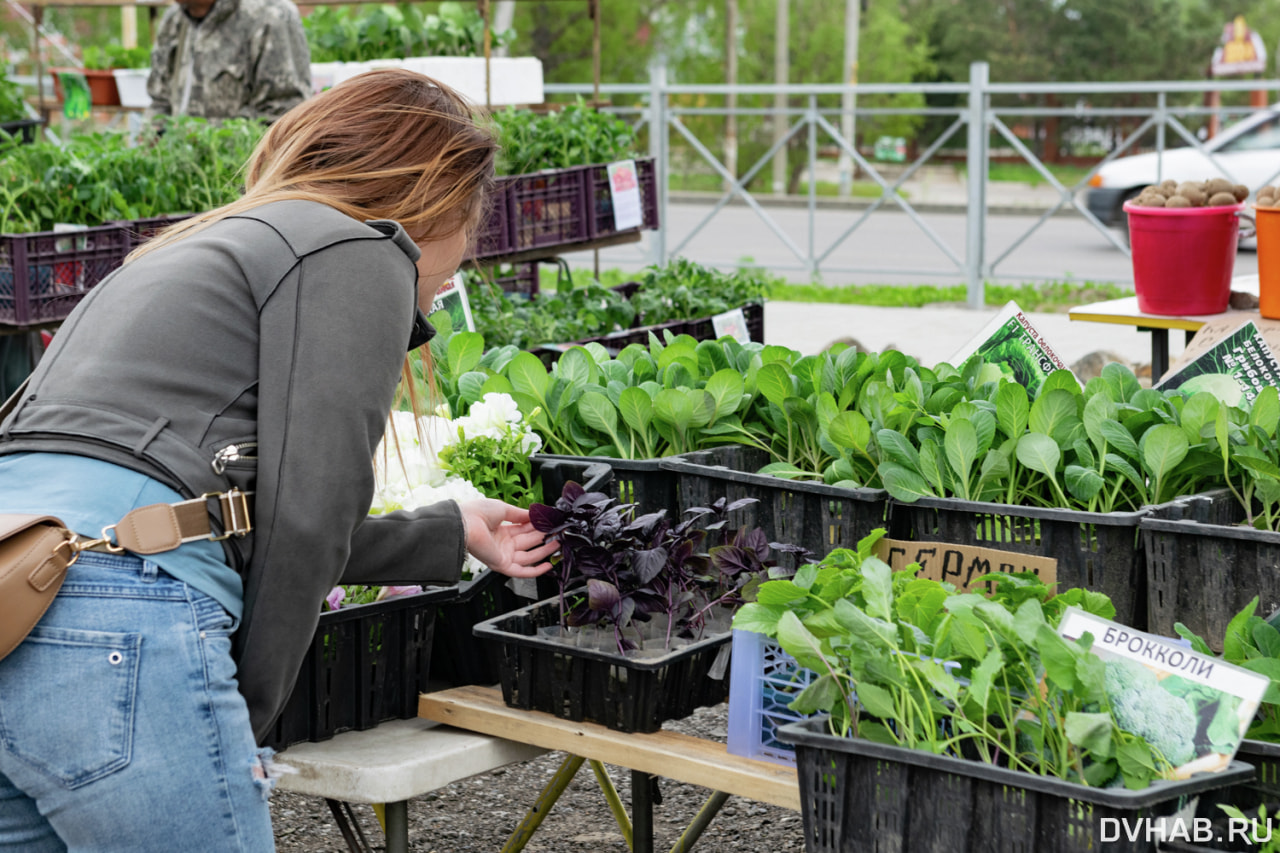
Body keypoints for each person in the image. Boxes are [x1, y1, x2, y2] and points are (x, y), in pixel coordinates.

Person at [0, 68, 555, 852]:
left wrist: (447, 528)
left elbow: (234, 510)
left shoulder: (193, 246)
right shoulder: (359, 250)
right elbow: (308, 515)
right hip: (121, 618)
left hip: (19, 598)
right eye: (471, 225)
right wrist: (241, 725)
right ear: (434, 197)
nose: (461, 261)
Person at [146, 0, 312, 121]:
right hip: (182, 163)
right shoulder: (174, 19)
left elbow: (286, 113)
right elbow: (159, 101)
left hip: (244, 164)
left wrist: (214, 144)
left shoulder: (272, 16)